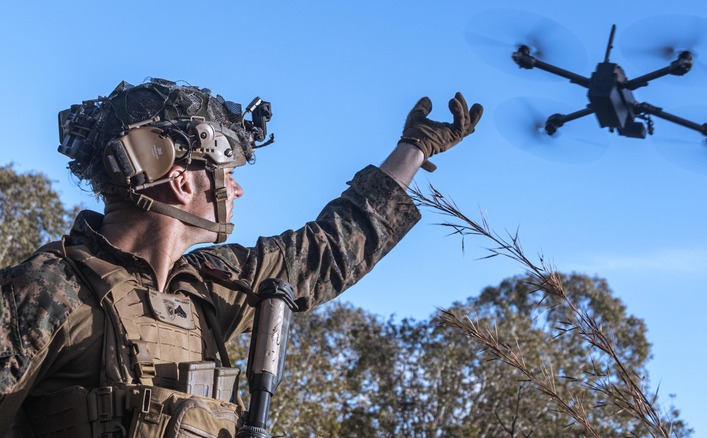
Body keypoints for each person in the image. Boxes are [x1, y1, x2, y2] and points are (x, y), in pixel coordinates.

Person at [0, 78, 482, 437]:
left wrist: (413, 149)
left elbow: (329, 249)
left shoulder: (212, 284)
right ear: (180, 179)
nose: (236, 187)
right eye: (224, 171)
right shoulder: (42, 292)